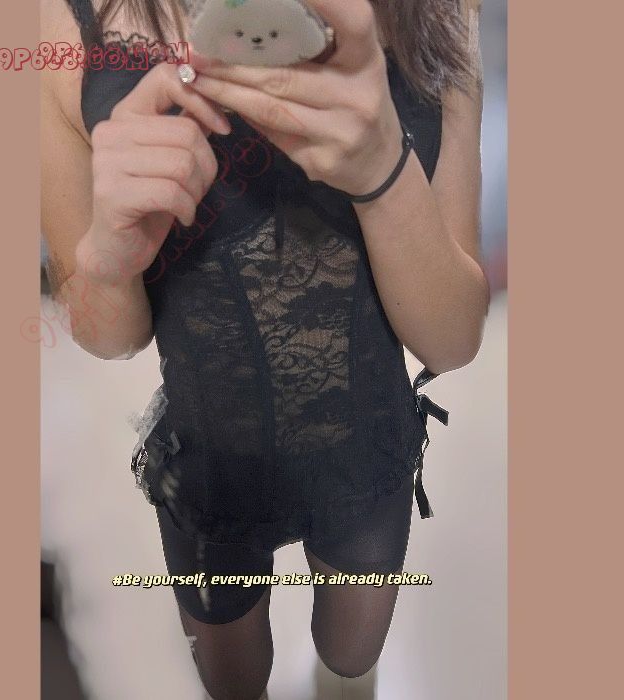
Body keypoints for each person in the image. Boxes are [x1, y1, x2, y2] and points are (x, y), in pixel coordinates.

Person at [41, 1, 489, 698]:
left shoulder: (441, 9)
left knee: (350, 661)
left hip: (366, 455)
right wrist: (109, 253)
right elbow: (110, 333)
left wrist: (381, 170)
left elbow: (453, 339)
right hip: (210, 465)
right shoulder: (58, 27)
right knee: (234, 682)